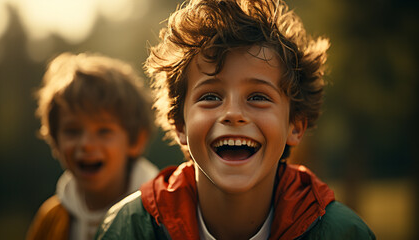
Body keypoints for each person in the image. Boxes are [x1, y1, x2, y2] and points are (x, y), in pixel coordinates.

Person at [95, 0, 376, 239]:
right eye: (211, 97)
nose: (233, 113)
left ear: (295, 125)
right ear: (180, 125)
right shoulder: (130, 229)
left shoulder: (342, 233)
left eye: (257, 97)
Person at [26, 52, 160, 240]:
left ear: (135, 140)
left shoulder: (161, 219)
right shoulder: (50, 219)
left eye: (104, 131)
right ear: (55, 141)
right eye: (72, 131)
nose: (86, 145)